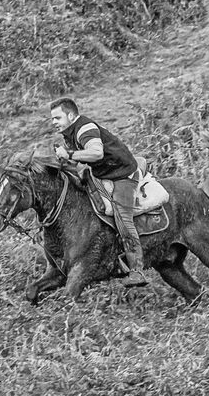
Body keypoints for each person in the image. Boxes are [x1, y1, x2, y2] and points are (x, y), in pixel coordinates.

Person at [49, 97, 147, 288]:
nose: (54, 122)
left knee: (123, 217)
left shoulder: (85, 129)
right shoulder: (70, 133)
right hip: (102, 174)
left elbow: (96, 153)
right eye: (52, 119)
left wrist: (68, 155)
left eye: (58, 118)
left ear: (70, 115)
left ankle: (137, 270)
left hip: (122, 175)